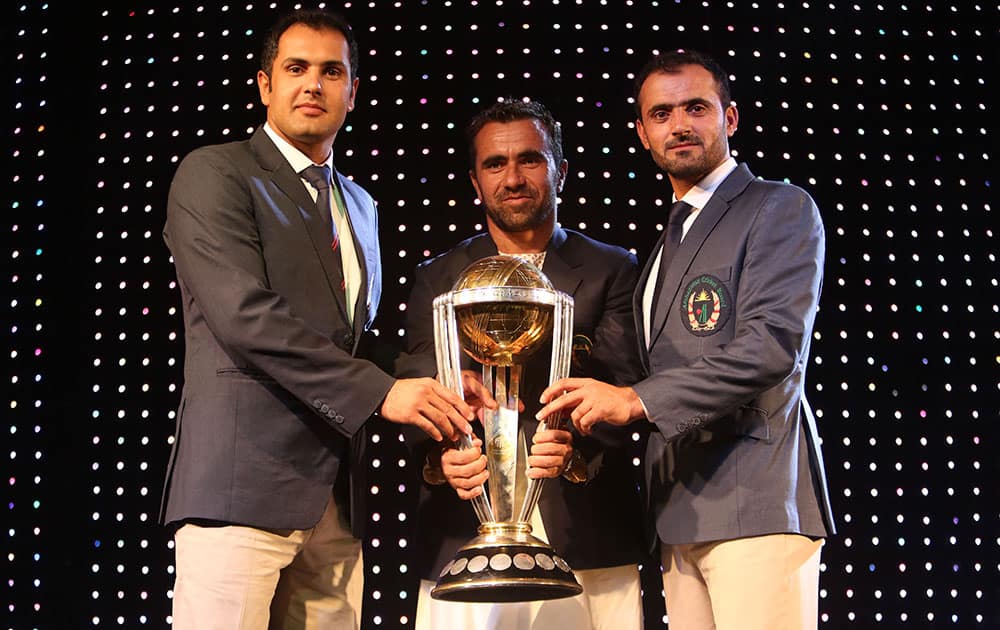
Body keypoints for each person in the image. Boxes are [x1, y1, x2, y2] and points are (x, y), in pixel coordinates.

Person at [160, 10, 482, 630]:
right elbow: (246, 318)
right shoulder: (215, 173)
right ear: (265, 85)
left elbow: (352, 341)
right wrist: (385, 392)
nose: (313, 84)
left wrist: (439, 381)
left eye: (331, 71)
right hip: (239, 490)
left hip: (337, 500)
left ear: (352, 91)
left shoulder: (360, 204)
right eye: (296, 69)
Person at [536, 50, 837, 630]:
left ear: (730, 118)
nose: (679, 125)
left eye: (696, 107)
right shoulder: (659, 248)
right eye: (661, 113)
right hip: (677, 511)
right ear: (643, 131)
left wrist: (635, 401)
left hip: (756, 504)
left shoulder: (777, 207)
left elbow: (771, 345)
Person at [398, 99, 647, 630]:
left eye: (530, 159)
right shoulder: (436, 278)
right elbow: (412, 387)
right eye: (495, 164)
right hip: (462, 535)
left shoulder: (614, 269)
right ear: (474, 179)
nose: (512, 177)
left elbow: (630, 387)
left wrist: (576, 447)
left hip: (586, 532)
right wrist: (441, 458)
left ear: (560, 170)